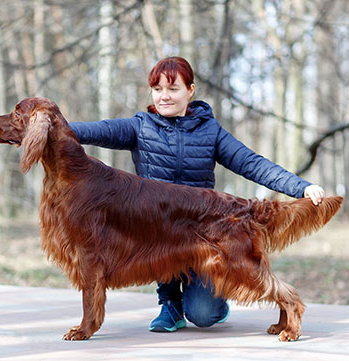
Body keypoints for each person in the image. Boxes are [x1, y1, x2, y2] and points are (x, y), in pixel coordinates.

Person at [69, 56, 325, 333]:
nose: (164, 97)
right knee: (151, 227)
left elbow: (252, 163)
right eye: (157, 89)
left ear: (190, 90)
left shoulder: (210, 131)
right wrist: (45, 129)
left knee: (204, 315)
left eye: (173, 89)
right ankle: (170, 304)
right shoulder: (139, 126)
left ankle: (216, 300)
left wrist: (300, 187)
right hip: (159, 229)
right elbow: (86, 131)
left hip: (204, 228)